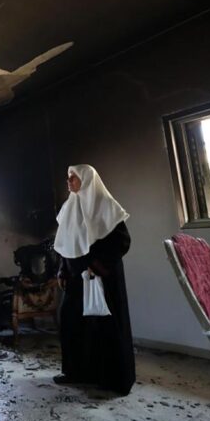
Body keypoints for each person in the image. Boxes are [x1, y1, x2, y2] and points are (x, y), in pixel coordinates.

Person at [52, 164, 135, 395]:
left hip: (101, 281)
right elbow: (66, 244)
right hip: (76, 281)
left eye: (73, 178)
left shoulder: (106, 205)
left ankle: (111, 379)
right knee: (70, 322)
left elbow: (122, 242)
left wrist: (96, 266)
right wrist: (62, 269)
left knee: (104, 327)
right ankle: (75, 372)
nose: (69, 182)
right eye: (67, 178)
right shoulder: (69, 207)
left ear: (87, 180)